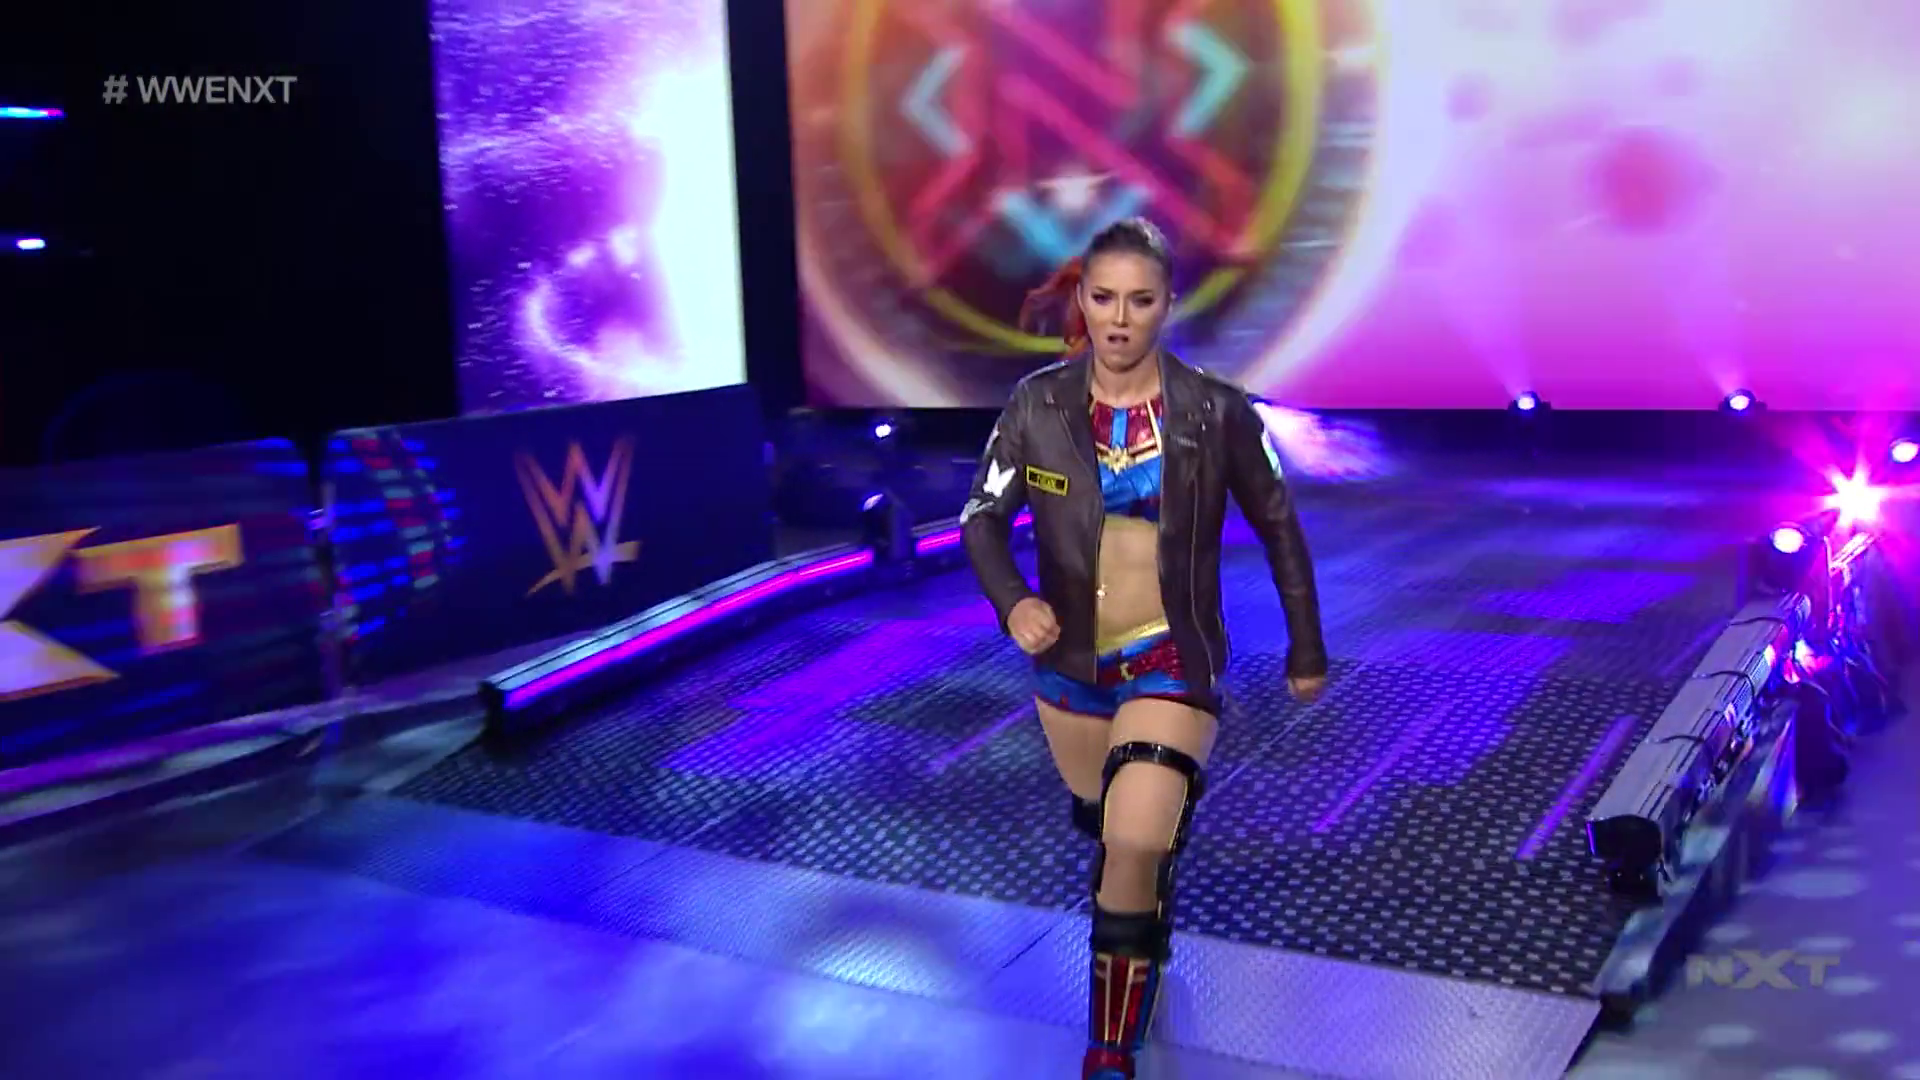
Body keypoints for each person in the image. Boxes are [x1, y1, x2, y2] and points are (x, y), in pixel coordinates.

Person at [960, 218, 1329, 1080]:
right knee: (1112, 830)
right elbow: (981, 516)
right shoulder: (1036, 405)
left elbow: (1279, 526)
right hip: (1069, 670)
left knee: (1132, 842)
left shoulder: (1217, 411)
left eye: (1139, 301)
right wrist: (1014, 603)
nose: (1119, 319)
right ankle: (1143, 905)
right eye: (1104, 299)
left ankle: (1109, 1051)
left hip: (1172, 659)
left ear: (1167, 305)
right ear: (1083, 302)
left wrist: (1306, 647)